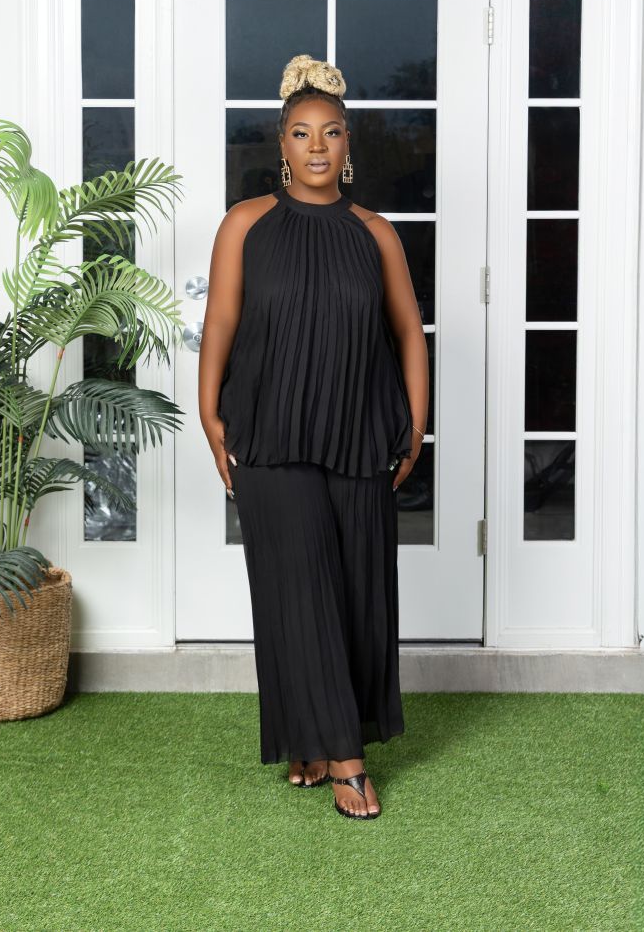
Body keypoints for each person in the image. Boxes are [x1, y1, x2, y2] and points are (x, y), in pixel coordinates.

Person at [198, 54, 428, 820]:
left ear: (348, 143)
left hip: (360, 432)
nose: (318, 146)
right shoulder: (245, 225)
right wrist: (208, 409)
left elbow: (408, 331)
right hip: (269, 432)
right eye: (302, 133)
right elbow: (221, 323)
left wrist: (417, 420)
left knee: (357, 593)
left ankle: (309, 734)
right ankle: (346, 760)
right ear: (283, 145)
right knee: (299, 589)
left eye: (331, 132)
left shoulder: (376, 233)